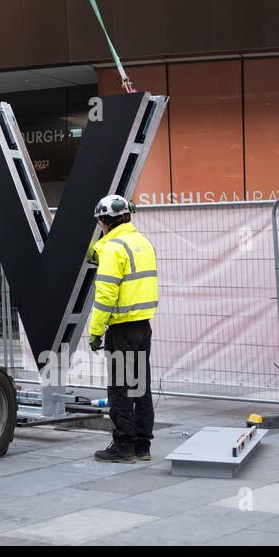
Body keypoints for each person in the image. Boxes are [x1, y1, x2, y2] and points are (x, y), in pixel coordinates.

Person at [86, 195, 159, 463]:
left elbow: (105, 295)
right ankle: (143, 446)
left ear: (105, 221)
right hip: (143, 326)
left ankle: (122, 447)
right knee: (140, 386)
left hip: (121, 328)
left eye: (100, 222)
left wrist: (95, 331)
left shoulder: (113, 248)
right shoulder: (143, 242)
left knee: (120, 388)